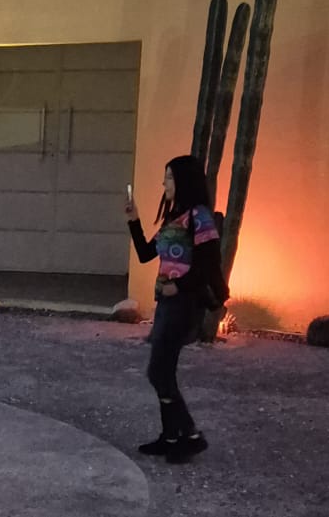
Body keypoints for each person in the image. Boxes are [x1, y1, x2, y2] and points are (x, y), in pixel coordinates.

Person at [125, 154, 229, 464]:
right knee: (163, 371)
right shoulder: (175, 218)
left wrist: (180, 286)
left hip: (184, 304)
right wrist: (134, 220)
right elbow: (146, 253)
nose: (164, 183)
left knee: (158, 371)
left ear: (184, 181)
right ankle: (171, 437)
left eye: (169, 177)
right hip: (167, 303)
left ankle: (191, 436)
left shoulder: (200, 217)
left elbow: (209, 263)